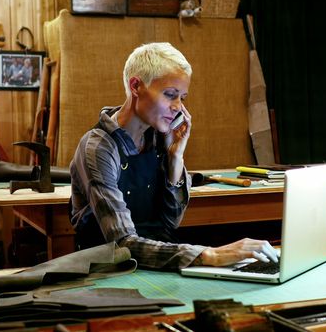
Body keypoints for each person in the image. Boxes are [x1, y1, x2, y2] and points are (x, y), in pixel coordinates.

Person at [69, 42, 279, 270]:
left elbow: (169, 223)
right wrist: (210, 255)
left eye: (183, 98)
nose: (178, 107)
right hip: (109, 273)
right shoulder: (99, 148)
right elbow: (122, 244)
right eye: (170, 95)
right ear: (136, 86)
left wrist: (175, 159)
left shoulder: (160, 137)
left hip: (157, 265)